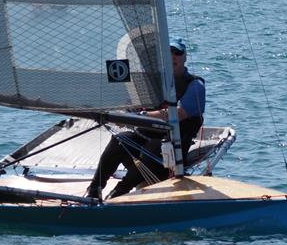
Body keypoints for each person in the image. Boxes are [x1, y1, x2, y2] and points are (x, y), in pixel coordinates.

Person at [86, 37, 205, 200]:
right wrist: (119, 113)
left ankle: (118, 194)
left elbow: (179, 113)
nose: (172, 57)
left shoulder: (195, 85)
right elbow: (132, 105)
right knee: (120, 140)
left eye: (177, 53)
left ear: (185, 57)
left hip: (171, 149)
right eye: (168, 53)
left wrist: (141, 116)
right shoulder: (153, 85)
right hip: (146, 139)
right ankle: (94, 189)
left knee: (153, 149)